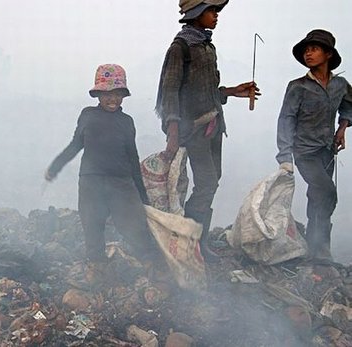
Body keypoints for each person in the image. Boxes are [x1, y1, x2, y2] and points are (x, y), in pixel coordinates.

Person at [155, 0, 259, 262]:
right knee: (207, 182)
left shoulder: (206, 46)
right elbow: (170, 90)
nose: (216, 16)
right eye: (212, 11)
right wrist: (173, 129)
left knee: (212, 180)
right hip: (195, 129)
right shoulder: (181, 47)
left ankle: (196, 242)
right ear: (197, 13)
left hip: (214, 125)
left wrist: (233, 91)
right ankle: (192, 243)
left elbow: (208, 90)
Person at [45, 64, 160, 286]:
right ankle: (97, 275)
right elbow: (76, 144)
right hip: (91, 182)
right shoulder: (87, 116)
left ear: (123, 96)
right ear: (98, 94)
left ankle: (154, 270)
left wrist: (141, 195)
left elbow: (132, 156)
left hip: (121, 183)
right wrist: (56, 166)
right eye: (107, 94)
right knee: (93, 226)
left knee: (134, 227)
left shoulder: (126, 122)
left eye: (117, 94)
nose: (112, 99)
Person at [276, 29, 352, 262]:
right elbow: (286, 119)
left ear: (328, 54)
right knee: (327, 191)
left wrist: (342, 128)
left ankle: (317, 246)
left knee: (317, 196)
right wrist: (285, 156)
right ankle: (319, 246)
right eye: (306, 50)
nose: (308, 54)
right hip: (304, 151)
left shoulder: (340, 84)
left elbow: (349, 106)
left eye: (314, 49)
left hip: (326, 151)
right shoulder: (298, 86)